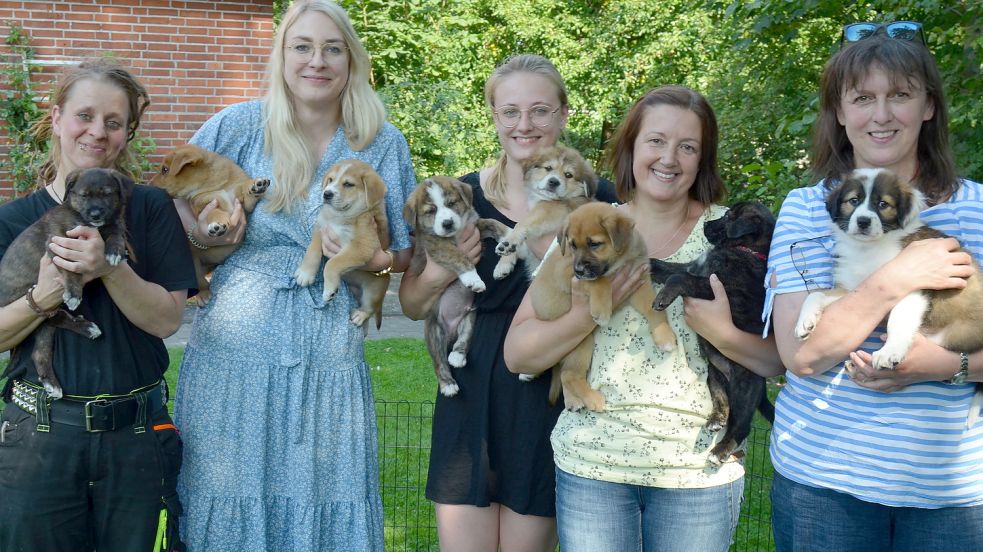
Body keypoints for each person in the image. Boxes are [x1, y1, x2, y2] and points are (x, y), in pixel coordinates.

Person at [171, 1, 416, 550]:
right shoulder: (236, 126)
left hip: (326, 354)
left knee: (324, 487)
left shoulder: (382, 141)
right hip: (233, 358)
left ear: (351, 60)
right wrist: (211, 235)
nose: (317, 61)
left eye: (333, 48)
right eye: (302, 46)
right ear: (282, 56)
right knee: (225, 488)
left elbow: (404, 253)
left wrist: (367, 256)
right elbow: (173, 207)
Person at [503, 85, 784, 552]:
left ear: (703, 159)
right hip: (593, 468)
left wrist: (722, 333)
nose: (668, 158)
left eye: (687, 146)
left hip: (698, 474)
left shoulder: (731, 233)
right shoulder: (587, 223)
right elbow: (517, 353)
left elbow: (777, 360)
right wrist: (591, 308)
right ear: (631, 146)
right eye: (655, 140)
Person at [764, 22, 983, 551]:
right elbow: (803, 354)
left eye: (900, 96)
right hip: (823, 482)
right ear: (840, 113)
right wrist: (899, 276)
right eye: (862, 98)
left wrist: (947, 367)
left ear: (928, 106)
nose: (881, 115)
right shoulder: (805, 208)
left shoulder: (978, 208)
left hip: (954, 493)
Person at [398, 54, 618, 551]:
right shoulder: (461, 197)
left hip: (547, 386)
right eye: (510, 111)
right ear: (494, 116)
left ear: (563, 114)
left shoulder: (595, 197)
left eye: (540, 111)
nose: (525, 125)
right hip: (471, 384)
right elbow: (412, 305)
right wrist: (438, 269)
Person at [0, 59, 195, 551]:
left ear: (128, 132)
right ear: (58, 116)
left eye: (113, 122)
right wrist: (45, 296)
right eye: (84, 116)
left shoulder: (150, 208)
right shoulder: (13, 220)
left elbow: (167, 319)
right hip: (39, 437)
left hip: (134, 437)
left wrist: (110, 268)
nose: (97, 132)